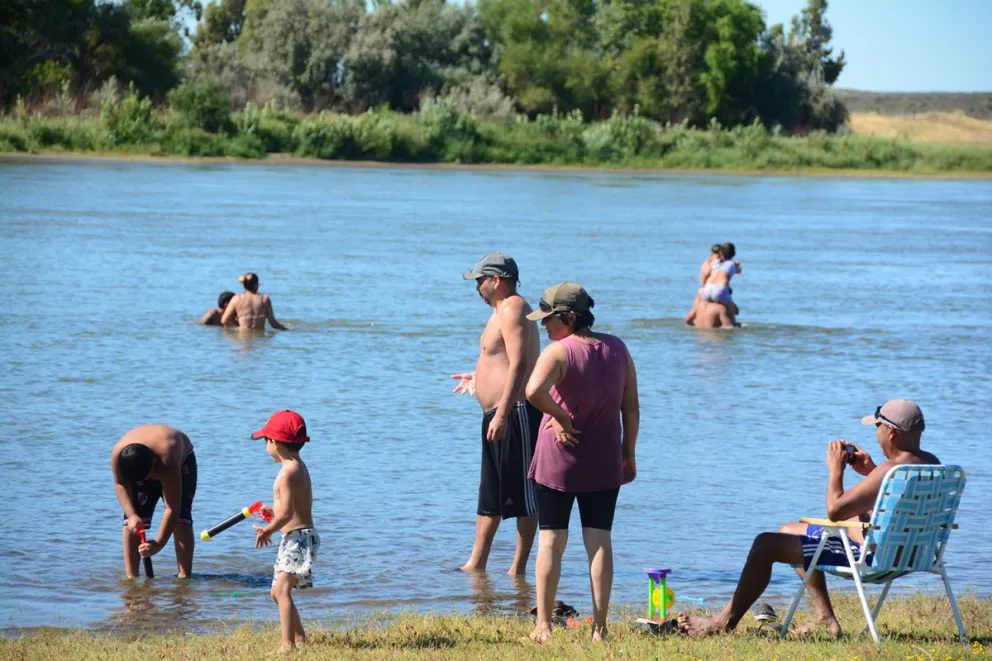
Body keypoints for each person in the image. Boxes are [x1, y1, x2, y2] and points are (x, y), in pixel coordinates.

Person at [680, 399, 938, 638]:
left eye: (878, 427)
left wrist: (835, 470)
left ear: (891, 433)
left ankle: (722, 623)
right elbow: (895, 508)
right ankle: (825, 619)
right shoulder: (932, 466)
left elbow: (835, 512)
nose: (876, 433)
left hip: (874, 560)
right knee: (790, 530)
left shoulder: (889, 471)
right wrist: (870, 471)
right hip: (911, 557)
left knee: (765, 544)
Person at [523, 282, 639, 643]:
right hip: (604, 459)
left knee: (551, 541)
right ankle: (600, 630)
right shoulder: (618, 348)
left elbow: (532, 392)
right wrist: (628, 451)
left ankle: (543, 627)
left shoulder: (559, 352)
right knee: (600, 541)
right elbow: (631, 407)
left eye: (548, 320)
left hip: (559, 459)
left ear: (569, 318)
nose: (543, 326)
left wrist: (559, 416)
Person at [451, 252, 541, 575]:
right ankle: (477, 563)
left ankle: (517, 568)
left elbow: (519, 364)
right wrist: (477, 377)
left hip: (515, 413)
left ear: (496, 281)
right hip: (497, 413)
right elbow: (500, 360)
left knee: (523, 497)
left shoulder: (514, 307)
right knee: (490, 494)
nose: (477, 288)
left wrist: (503, 413)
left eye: (479, 281)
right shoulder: (500, 311)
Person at [250, 410, 318, 653]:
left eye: (265, 441)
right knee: (277, 592)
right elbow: (293, 506)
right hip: (299, 536)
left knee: (281, 590)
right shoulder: (298, 466)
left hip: (297, 539)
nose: (266, 446)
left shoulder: (286, 473)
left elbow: (287, 514)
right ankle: (300, 639)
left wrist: (268, 529)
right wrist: (273, 510)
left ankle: (287, 646)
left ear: (275, 443)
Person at [111, 425, 197, 578]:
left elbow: (172, 509)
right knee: (133, 520)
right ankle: (132, 578)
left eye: (151, 476)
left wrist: (158, 544)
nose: (151, 480)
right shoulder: (118, 456)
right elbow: (120, 484)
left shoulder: (168, 461)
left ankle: (184, 577)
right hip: (140, 462)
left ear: (154, 465)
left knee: (181, 519)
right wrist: (131, 515)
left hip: (181, 461)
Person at [686, 242, 742, 326]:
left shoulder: (714, 263)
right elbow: (738, 272)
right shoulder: (732, 264)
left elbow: (706, 273)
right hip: (719, 289)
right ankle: (730, 323)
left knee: (706, 304)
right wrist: (737, 265)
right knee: (735, 312)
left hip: (707, 288)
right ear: (734, 254)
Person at [221, 272, 288, 331]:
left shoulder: (237, 299)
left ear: (244, 285)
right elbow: (273, 323)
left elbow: (224, 320)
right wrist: (286, 330)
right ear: (256, 285)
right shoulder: (264, 299)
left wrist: (238, 329)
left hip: (243, 338)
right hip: (259, 340)